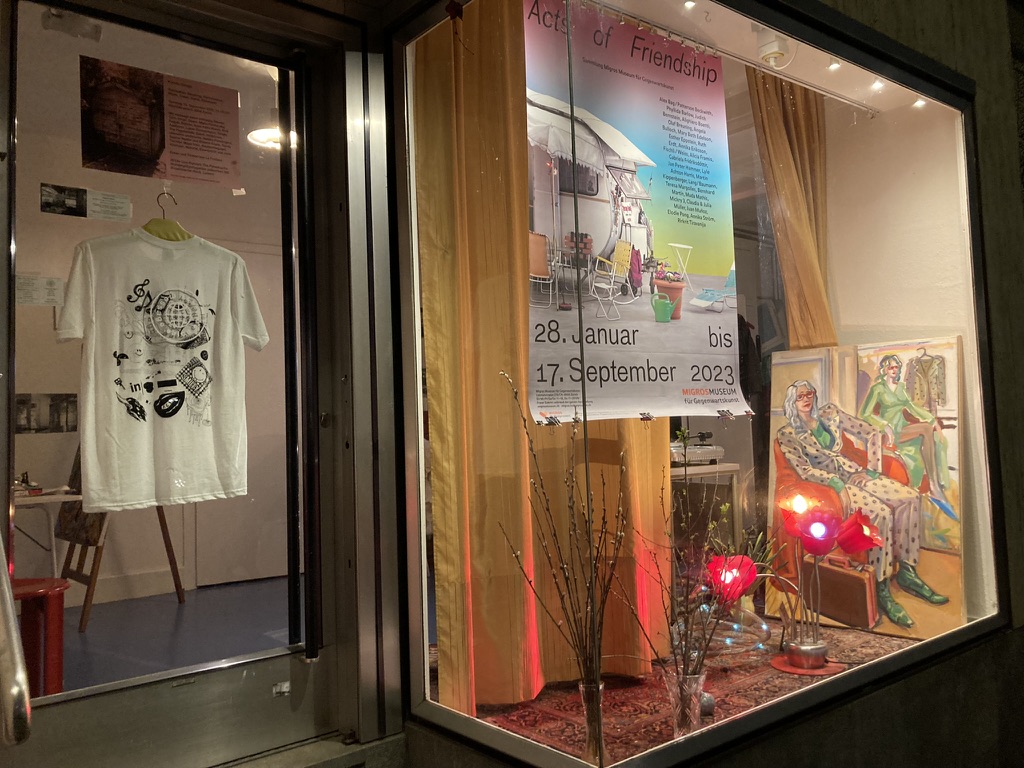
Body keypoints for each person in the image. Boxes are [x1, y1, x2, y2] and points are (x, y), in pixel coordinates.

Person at [777, 380, 948, 628]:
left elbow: (871, 432)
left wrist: (872, 469)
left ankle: (907, 571)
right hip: (834, 485)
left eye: (809, 393)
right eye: (800, 396)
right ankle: (881, 586)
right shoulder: (787, 434)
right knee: (881, 513)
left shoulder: (830, 413)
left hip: (856, 472)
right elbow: (804, 470)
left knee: (910, 498)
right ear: (791, 402)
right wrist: (836, 483)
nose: (806, 399)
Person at [859, 354, 951, 503]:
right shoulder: (878, 389)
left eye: (896, 367)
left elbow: (912, 407)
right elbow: (865, 414)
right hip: (886, 433)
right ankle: (934, 486)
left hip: (901, 428)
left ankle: (934, 484)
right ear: (885, 370)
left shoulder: (901, 387)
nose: (894, 370)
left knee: (928, 428)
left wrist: (932, 420)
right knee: (926, 430)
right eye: (891, 367)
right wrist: (884, 425)